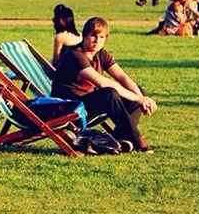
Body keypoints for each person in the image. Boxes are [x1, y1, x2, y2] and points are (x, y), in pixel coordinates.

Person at [51, 17, 157, 153]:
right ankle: (137, 140)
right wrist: (139, 99)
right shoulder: (74, 55)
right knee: (109, 93)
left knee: (138, 92)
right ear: (84, 36)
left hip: (86, 103)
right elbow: (101, 82)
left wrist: (142, 98)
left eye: (101, 37)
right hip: (69, 106)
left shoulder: (101, 54)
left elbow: (122, 77)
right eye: (93, 36)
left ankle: (118, 138)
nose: (97, 40)